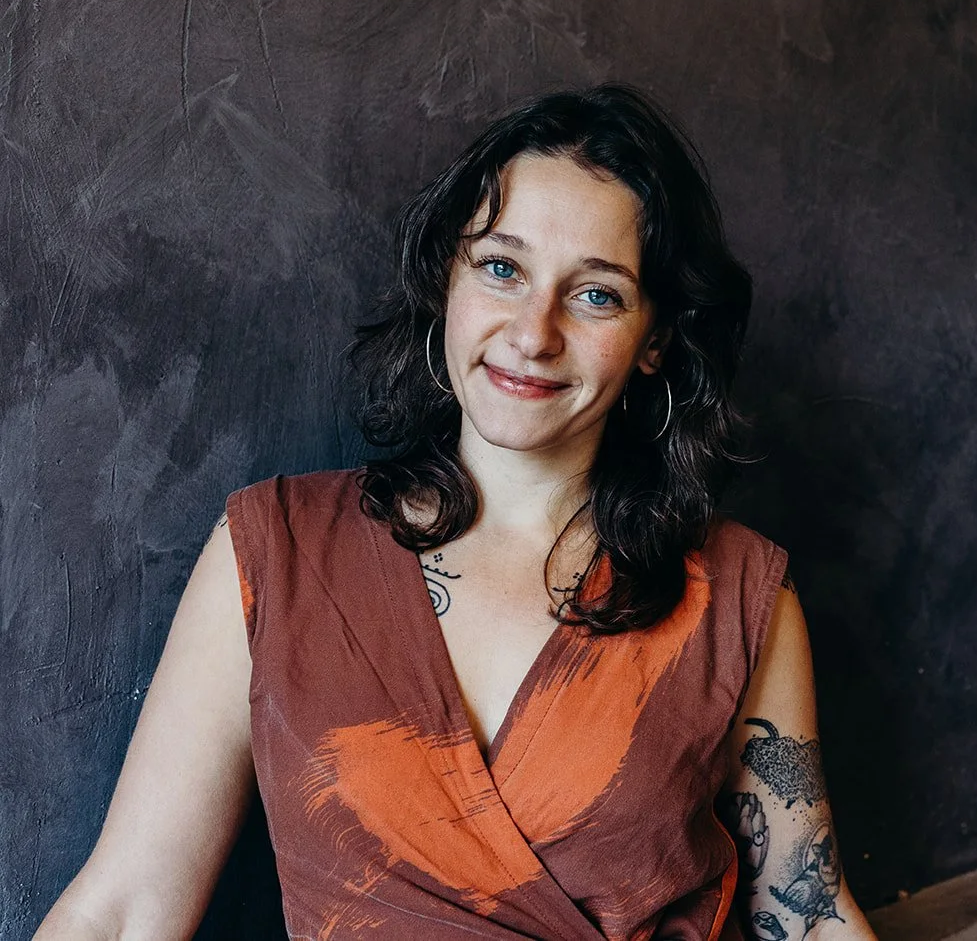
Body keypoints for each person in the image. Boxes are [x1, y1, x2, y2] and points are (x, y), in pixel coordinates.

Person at [36, 85, 875, 941]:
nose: (533, 332)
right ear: (449, 280)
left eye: (596, 294)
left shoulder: (739, 595)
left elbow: (810, 919)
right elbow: (123, 908)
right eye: (502, 267)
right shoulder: (274, 554)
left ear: (654, 340)